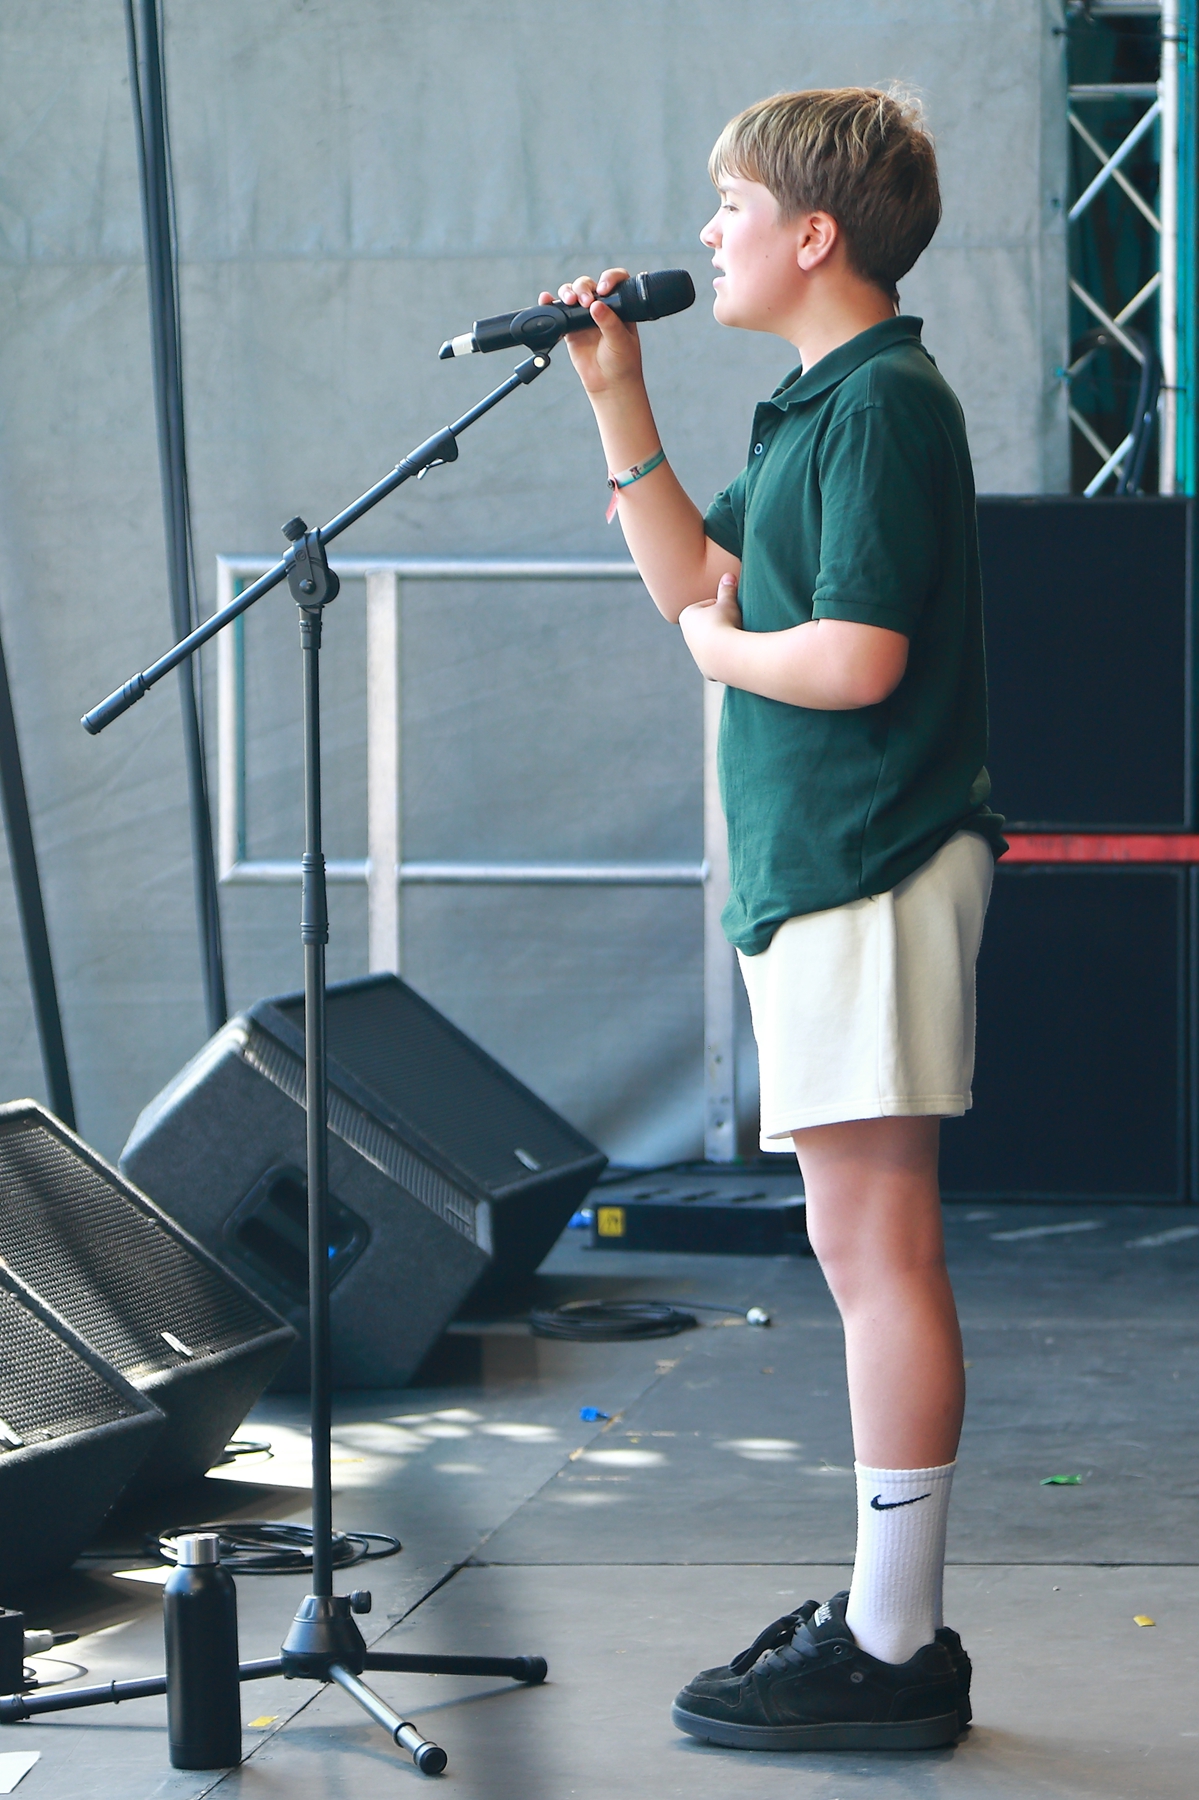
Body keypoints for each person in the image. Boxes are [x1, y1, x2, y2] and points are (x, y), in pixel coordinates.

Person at [548, 87, 1006, 1752]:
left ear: (815, 235)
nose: (705, 234)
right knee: (855, 1245)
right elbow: (694, 579)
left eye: (729, 205)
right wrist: (618, 395)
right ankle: (887, 1623)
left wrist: (725, 657)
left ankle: (895, 1643)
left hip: (873, 860)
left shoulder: (884, 404)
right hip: (824, 869)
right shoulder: (816, 406)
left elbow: (853, 655)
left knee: (879, 1251)